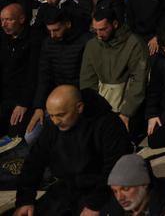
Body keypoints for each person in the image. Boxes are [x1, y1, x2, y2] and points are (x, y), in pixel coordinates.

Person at [14, 86, 130, 216]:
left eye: (60, 115)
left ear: (79, 107)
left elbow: (115, 169)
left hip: (105, 189)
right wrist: (25, 200)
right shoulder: (53, 125)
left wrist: (94, 205)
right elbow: (34, 162)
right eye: (51, 115)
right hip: (69, 189)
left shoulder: (108, 124)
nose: (56, 121)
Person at [80, 7, 148, 137]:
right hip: (101, 104)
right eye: (96, 30)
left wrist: (126, 113)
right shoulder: (92, 45)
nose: (99, 34)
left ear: (115, 24)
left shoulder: (134, 43)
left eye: (103, 29)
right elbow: (87, 80)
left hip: (128, 105)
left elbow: (139, 81)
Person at [100, 152, 165, 216]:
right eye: (115, 191)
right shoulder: (114, 209)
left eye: (125, 189)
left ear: (144, 184)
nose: (120, 198)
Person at [0, 3, 42, 142]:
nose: (4, 24)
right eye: (2, 20)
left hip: (23, 99)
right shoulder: (3, 39)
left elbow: (33, 75)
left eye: (9, 20)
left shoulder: (34, 39)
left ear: (22, 19)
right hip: (4, 96)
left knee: (16, 136)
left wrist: (23, 103)